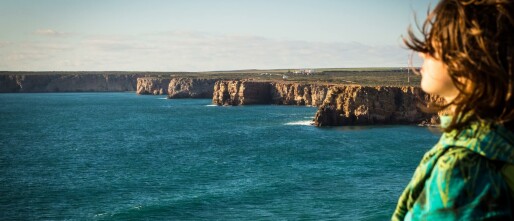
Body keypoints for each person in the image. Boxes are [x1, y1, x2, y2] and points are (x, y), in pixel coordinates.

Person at [392, 0, 514, 220]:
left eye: (435, 41)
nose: (422, 53)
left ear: (470, 57)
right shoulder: (502, 142)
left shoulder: (464, 171)